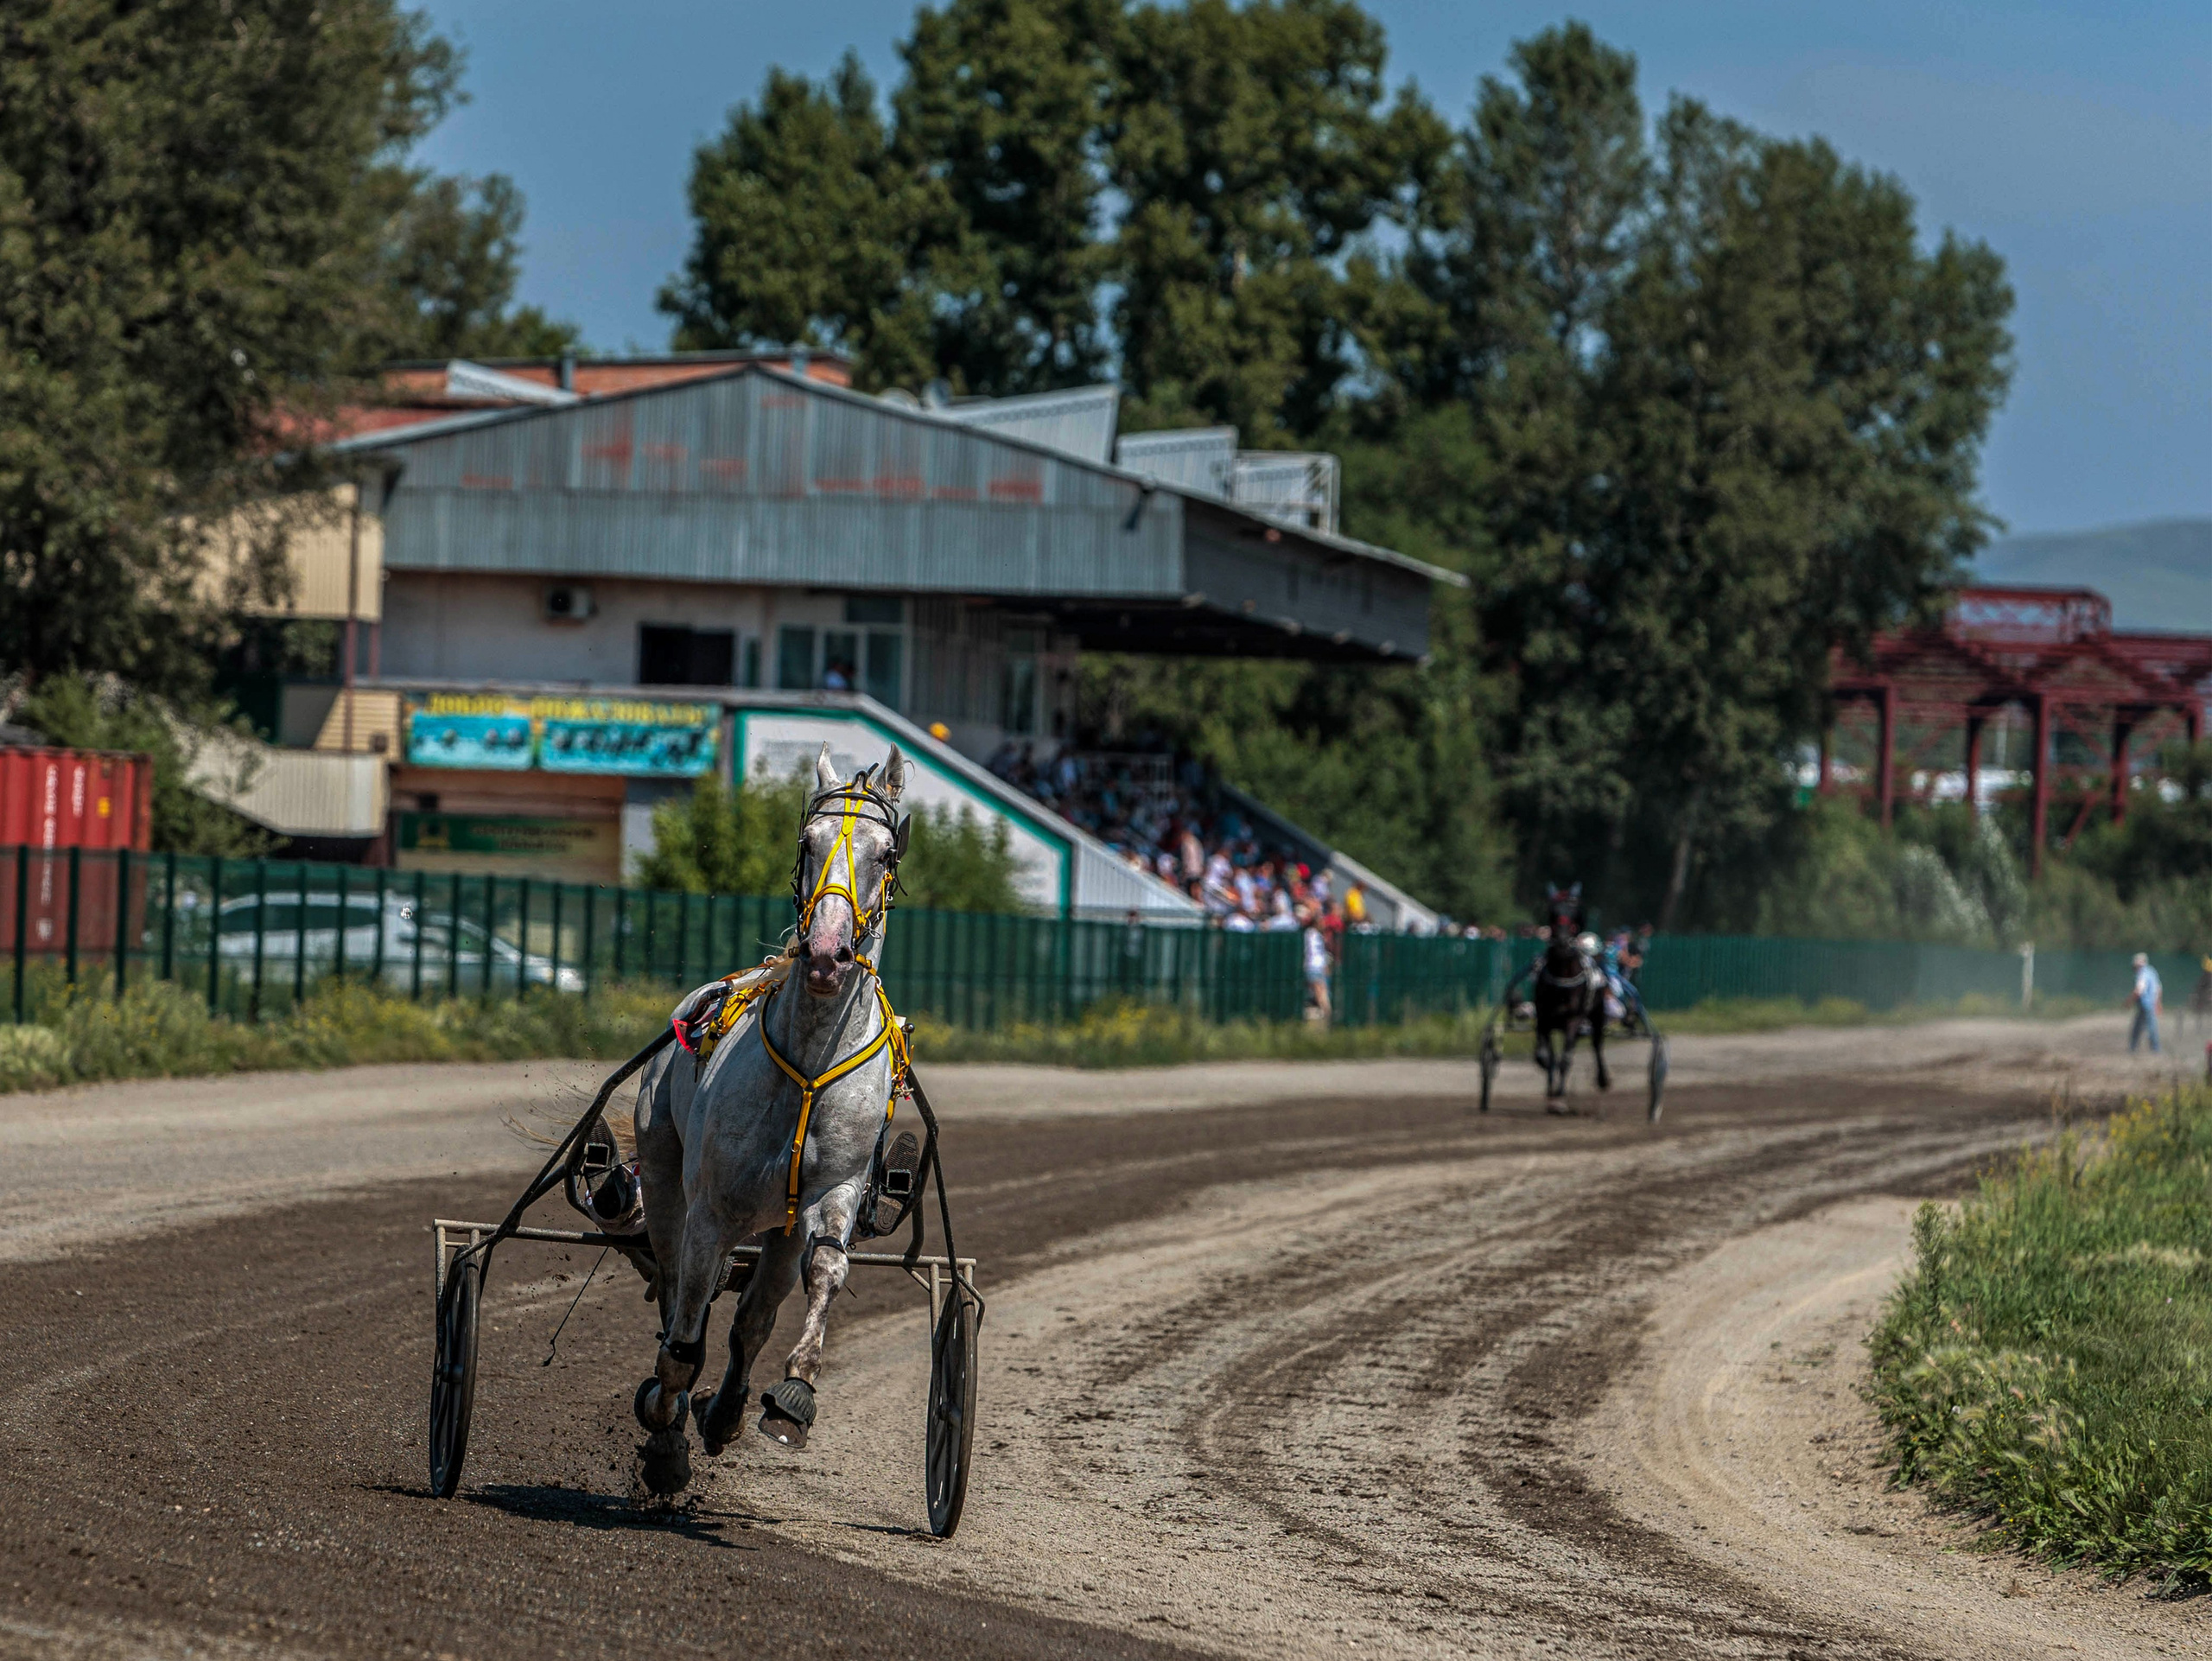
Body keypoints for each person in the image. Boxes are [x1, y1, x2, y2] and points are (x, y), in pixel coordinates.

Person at [1300, 904, 1333, 1023]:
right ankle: (1326, 1013)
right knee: (1320, 991)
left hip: (1316, 965)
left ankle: (1327, 1013)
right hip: (1313, 965)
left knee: (1321, 991)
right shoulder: (1311, 934)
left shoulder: (1315, 935)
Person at [2129, 951, 2163, 1054]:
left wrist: (2129, 1001)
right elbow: (2159, 988)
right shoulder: (2152, 971)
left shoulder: (2142, 973)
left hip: (2145, 1004)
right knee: (2143, 1026)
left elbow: (2139, 990)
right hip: (2151, 1003)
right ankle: (2134, 1047)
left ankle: (2154, 1049)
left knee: (2146, 1027)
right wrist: (2158, 1003)